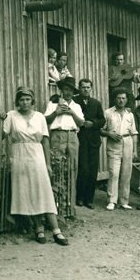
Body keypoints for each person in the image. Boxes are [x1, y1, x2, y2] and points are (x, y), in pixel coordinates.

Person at [1, 87, 68, 246]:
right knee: (28, 193)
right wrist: (1, 120)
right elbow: (2, 136)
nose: (25, 102)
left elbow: (45, 141)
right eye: (22, 100)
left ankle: (56, 231)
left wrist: (48, 164)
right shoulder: (11, 115)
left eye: (27, 99)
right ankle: (38, 228)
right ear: (18, 102)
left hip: (36, 154)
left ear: (32, 101)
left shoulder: (39, 117)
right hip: (19, 156)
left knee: (43, 192)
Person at [45, 77, 84, 212]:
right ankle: (56, 205)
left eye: (71, 90)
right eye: (66, 89)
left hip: (72, 136)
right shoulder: (53, 103)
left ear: (74, 92)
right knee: (57, 168)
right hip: (57, 135)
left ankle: (69, 205)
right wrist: (57, 112)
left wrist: (71, 113)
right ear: (61, 90)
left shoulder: (76, 106)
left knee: (72, 168)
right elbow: (45, 120)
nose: (68, 93)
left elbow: (81, 123)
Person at [101, 88, 138, 210]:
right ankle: (112, 200)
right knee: (114, 172)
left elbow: (134, 133)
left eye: (123, 98)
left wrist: (135, 150)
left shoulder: (130, 114)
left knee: (126, 173)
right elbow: (101, 129)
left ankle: (124, 200)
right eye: (118, 98)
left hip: (127, 142)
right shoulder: (108, 113)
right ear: (115, 99)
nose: (121, 100)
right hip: (113, 144)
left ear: (126, 100)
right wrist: (109, 134)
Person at [73, 78, 106, 209]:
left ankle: (89, 199)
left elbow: (102, 120)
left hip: (93, 140)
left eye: (88, 87)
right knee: (83, 169)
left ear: (91, 88)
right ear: (79, 88)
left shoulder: (96, 103)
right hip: (80, 139)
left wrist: (93, 123)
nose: (86, 89)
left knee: (92, 171)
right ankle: (80, 197)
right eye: (83, 87)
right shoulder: (75, 102)